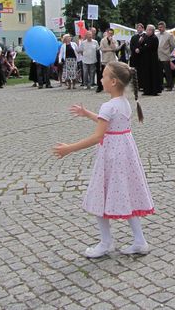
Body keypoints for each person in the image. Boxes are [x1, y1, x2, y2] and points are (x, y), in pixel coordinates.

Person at [52, 61, 154, 258]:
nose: (101, 79)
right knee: (127, 193)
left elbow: (98, 136)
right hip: (124, 154)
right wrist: (87, 113)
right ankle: (139, 240)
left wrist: (69, 149)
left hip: (112, 156)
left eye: (104, 76)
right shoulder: (123, 102)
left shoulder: (108, 105)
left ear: (113, 81)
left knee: (100, 194)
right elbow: (108, 122)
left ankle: (106, 242)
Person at [139, 25, 161, 96]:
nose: (147, 31)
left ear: (152, 31)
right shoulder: (145, 37)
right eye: (146, 29)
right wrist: (141, 42)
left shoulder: (154, 38)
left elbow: (148, 47)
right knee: (146, 74)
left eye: (148, 30)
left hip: (152, 59)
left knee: (153, 74)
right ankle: (147, 90)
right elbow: (142, 45)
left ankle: (154, 90)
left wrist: (142, 48)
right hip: (146, 59)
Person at [157, 21, 175, 91]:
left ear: (164, 27)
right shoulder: (156, 35)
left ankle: (169, 86)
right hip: (158, 56)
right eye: (158, 27)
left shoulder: (169, 35)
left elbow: (172, 46)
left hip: (165, 56)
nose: (159, 28)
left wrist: (168, 52)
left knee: (167, 72)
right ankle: (160, 86)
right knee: (159, 72)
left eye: (161, 27)